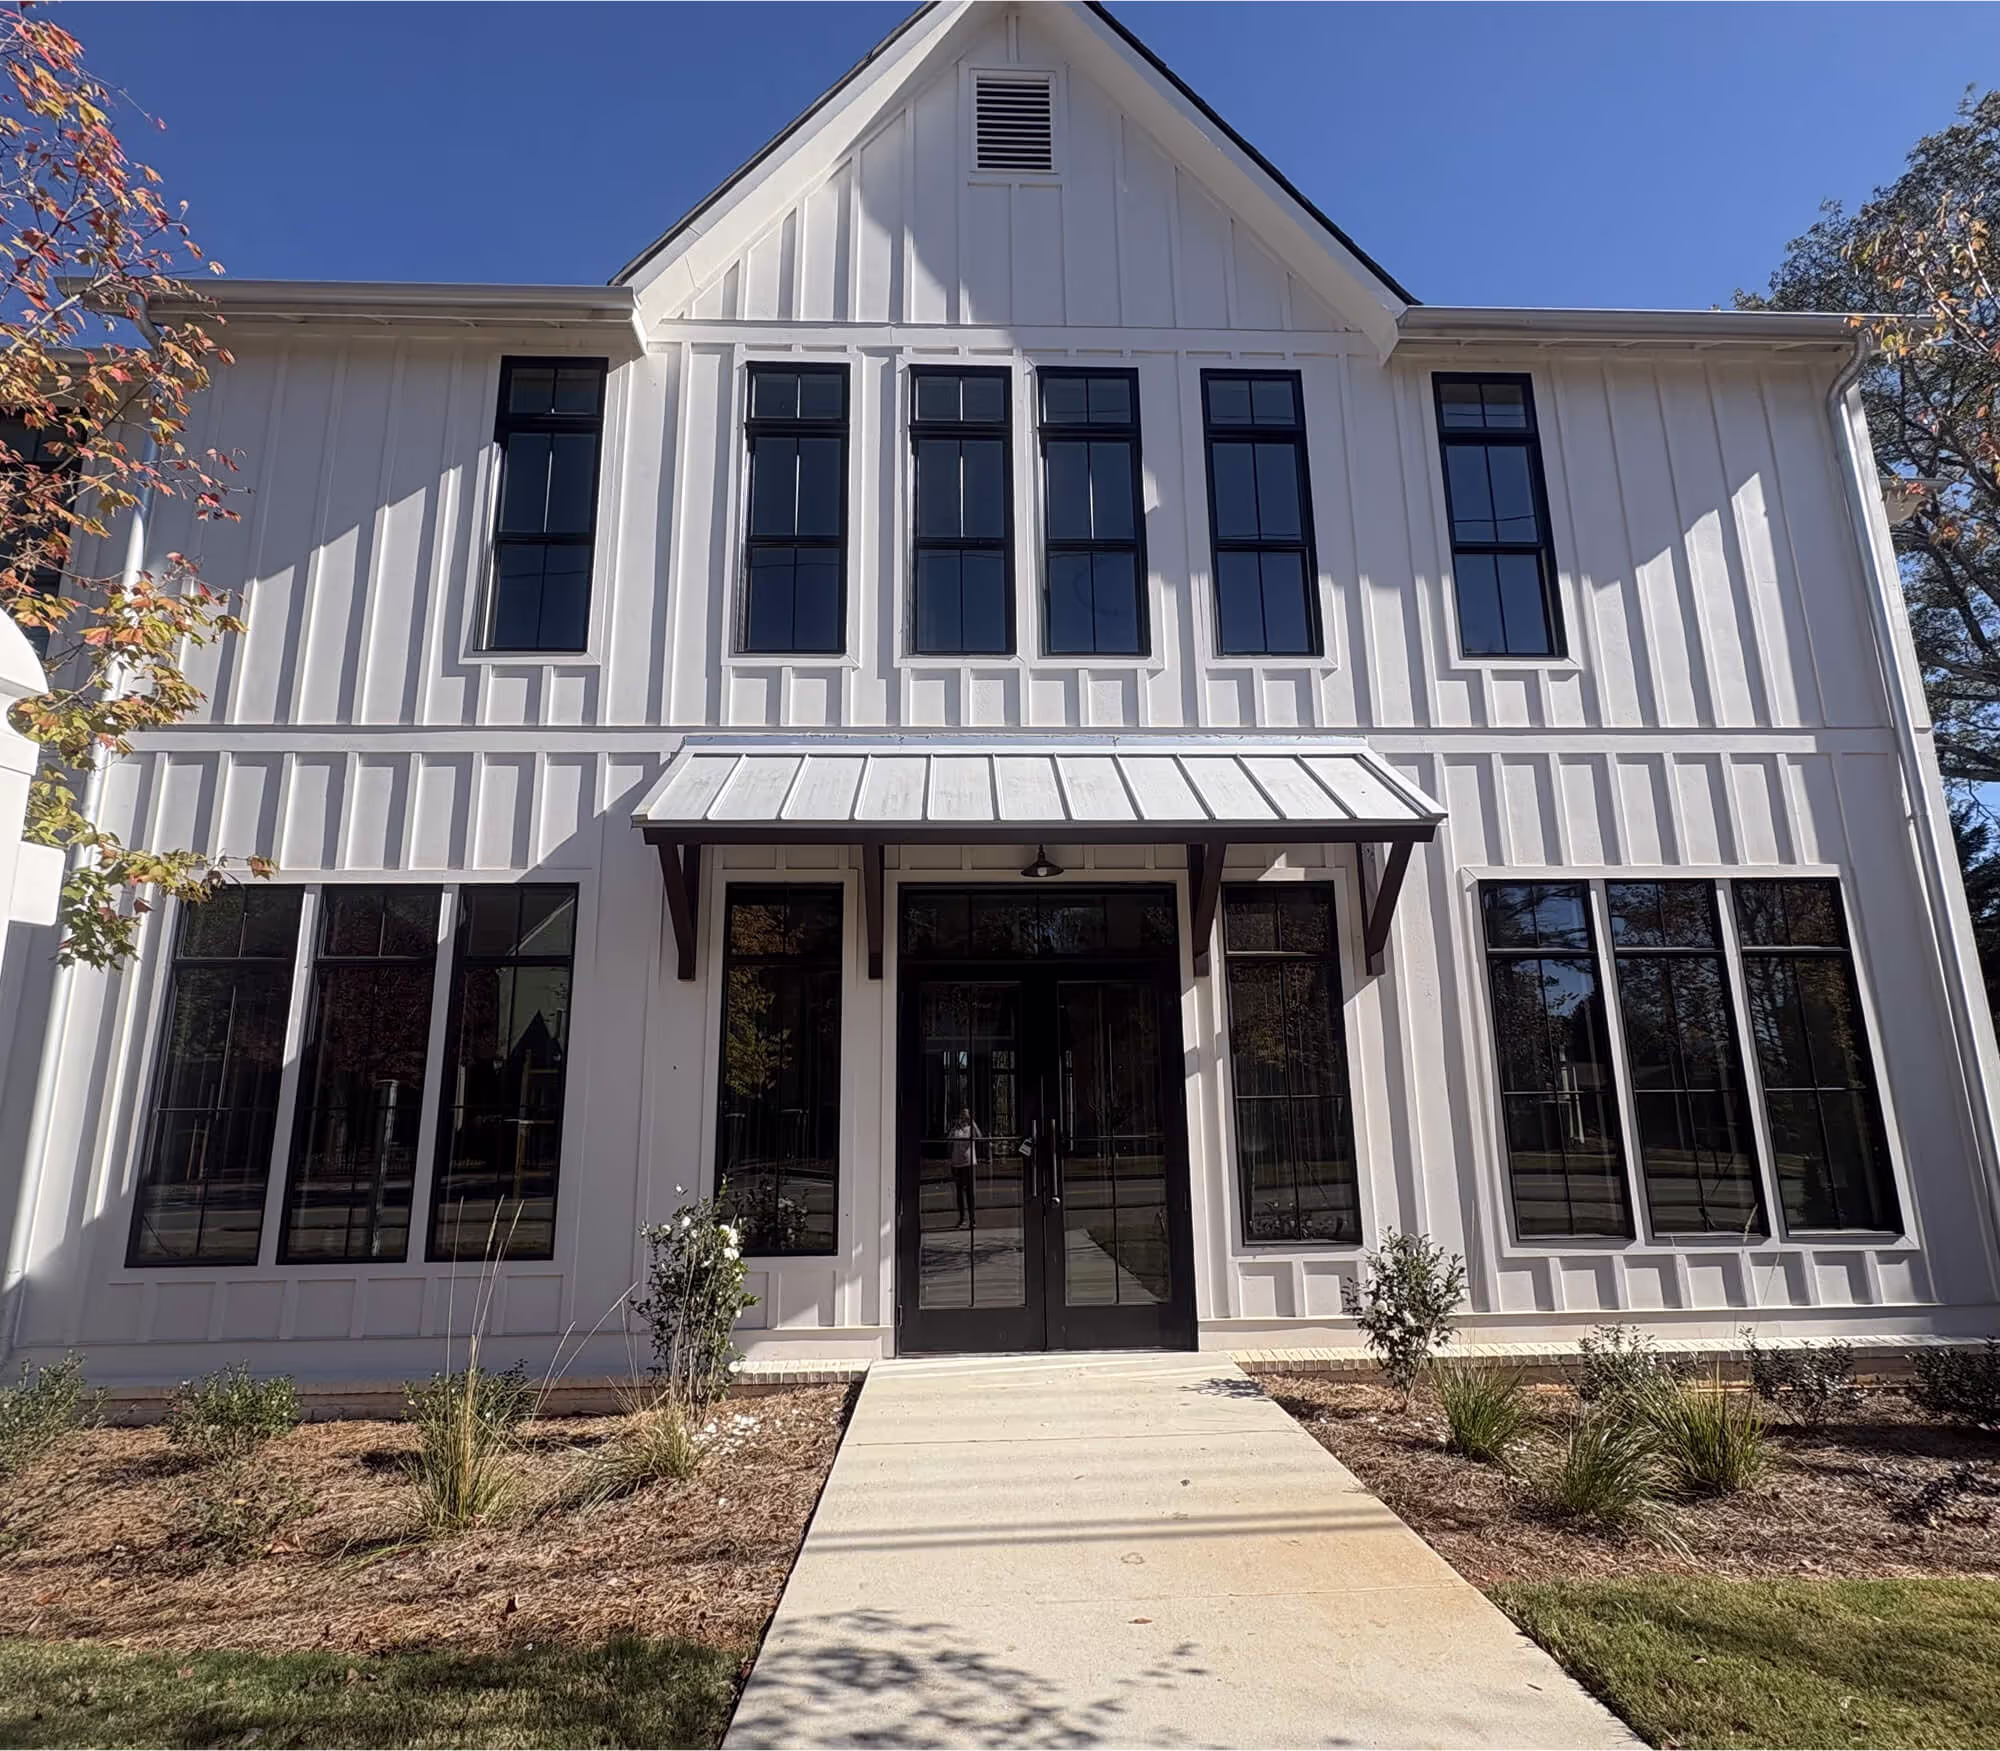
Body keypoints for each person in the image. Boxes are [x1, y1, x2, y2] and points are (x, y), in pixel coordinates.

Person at [948, 1105, 983, 1229]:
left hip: (969, 1164)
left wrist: (973, 1123)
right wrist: (954, 1127)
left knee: (970, 1193)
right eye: (962, 1115)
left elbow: (979, 1137)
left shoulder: (971, 1128)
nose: (964, 1118)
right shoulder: (956, 1129)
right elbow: (949, 1140)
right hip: (956, 1164)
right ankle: (962, 1218)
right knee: (959, 1193)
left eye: (966, 1115)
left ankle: (972, 1220)